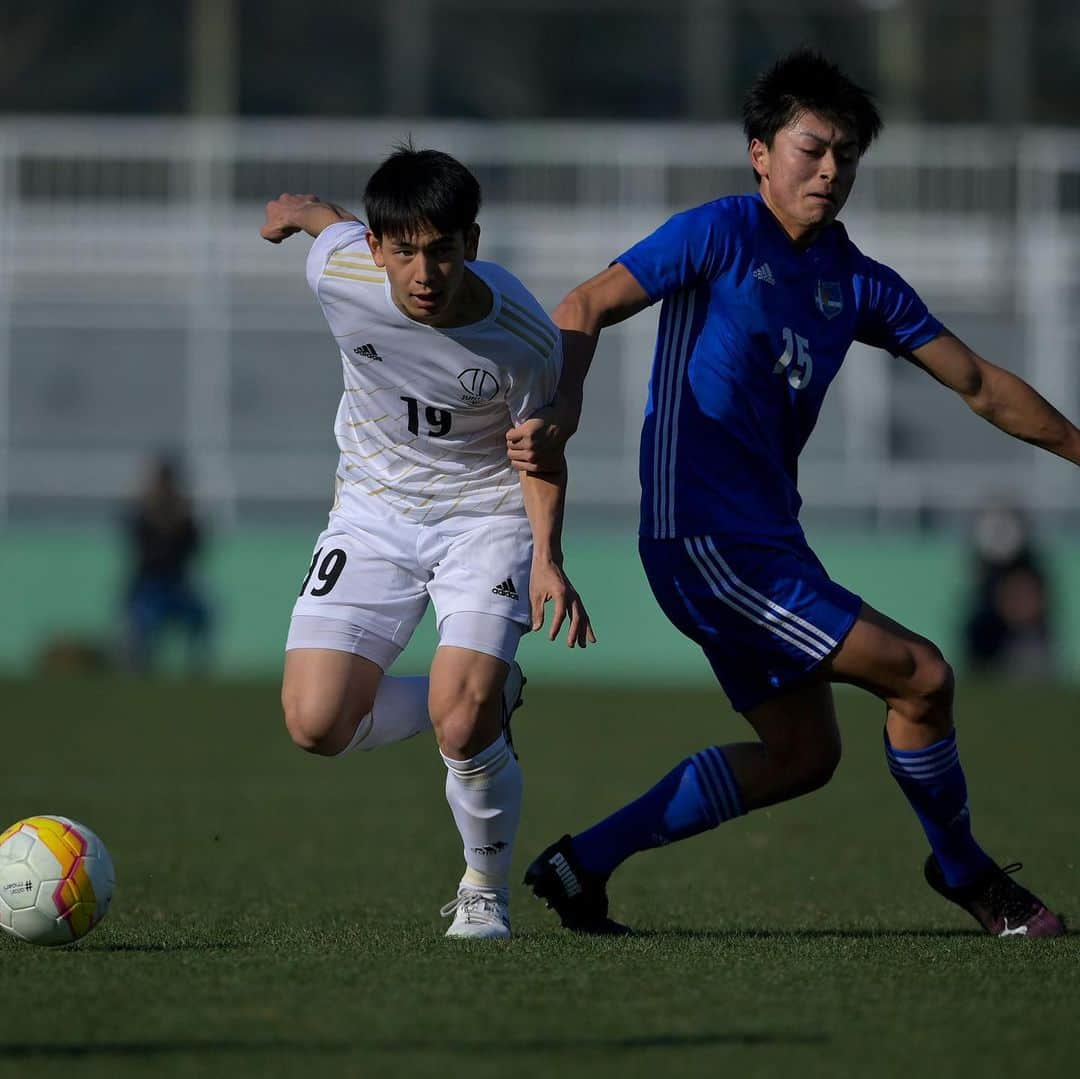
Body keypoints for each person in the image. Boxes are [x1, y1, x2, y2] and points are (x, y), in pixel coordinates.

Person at [508, 51, 1078, 938]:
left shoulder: (856, 281)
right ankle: (968, 875)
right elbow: (584, 303)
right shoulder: (720, 232)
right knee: (922, 676)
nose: (830, 170)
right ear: (759, 152)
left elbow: (978, 384)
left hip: (766, 543)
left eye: (847, 155)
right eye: (813, 148)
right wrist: (566, 404)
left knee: (804, 755)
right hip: (703, 540)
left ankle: (581, 864)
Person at [260, 145, 594, 940]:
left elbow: (540, 453)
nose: (423, 271)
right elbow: (331, 228)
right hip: (372, 511)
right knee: (314, 724)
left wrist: (547, 558)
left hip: (484, 518)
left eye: (441, 249)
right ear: (376, 249)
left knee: (458, 717)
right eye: (403, 250)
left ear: (470, 243)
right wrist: (301, 211)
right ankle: (489, 696)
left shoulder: (522, 333)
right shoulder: (339, 271)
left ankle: (485, 886)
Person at [122, 455, 212, 673]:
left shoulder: (184, 516)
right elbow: (140, 547)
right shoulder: (142, 514)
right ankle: (140, 665)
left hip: (177, 584)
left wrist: (182, 522)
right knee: (143, 619)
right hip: (149, 585)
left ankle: (195, 667)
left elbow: (195, 547)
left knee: (202, 615)